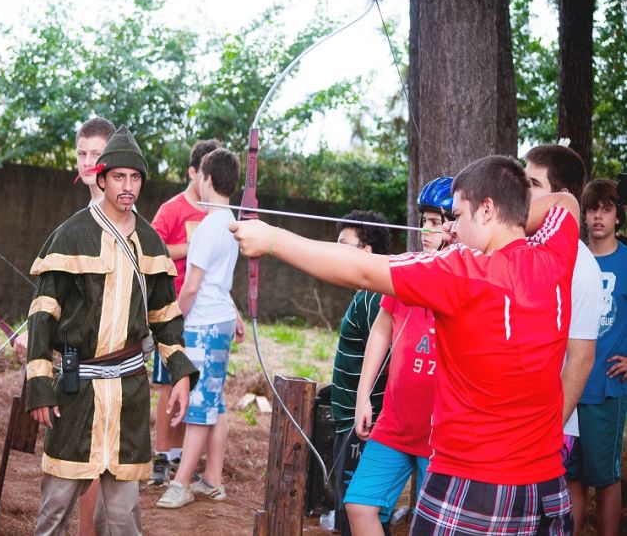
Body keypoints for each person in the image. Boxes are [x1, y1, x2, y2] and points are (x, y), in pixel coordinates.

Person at [231, 155, 580, 534]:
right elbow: (567, 203)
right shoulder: (556, 256)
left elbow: (362, 269)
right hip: (544, 485)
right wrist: (513, 214)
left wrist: (273, 239)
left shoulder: (462, 272)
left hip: (473, 483)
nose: (451, 230)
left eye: (458, 216)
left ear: (486, 209)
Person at [25, 125, 198, 535]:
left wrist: (181, 375)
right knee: (55, 509)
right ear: (100, 179)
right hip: (76, 391)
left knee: (123, 517)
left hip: (128, 396)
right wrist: (39, 385)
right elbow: (42, 314)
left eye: (135, 177)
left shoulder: (152, 244)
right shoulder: (70, 236)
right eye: (119, 176)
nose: (128, 186)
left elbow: (166, 317)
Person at [13, 116, 115, 536]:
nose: (88, 162)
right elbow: (68, 298)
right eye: (82, 154)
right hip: (80, 364)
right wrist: (40, 334)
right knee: (81, 462)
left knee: (98, 465)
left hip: (110, 365)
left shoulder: (117, 216)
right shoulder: (82, 220)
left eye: (97, 154)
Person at [345, 177, 453, 536]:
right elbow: (381, 329)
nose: (425, 229)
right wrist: (363, 398)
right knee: (359, 505)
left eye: (436, 223)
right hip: (394, 423)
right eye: (424, 220)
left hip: (442, 435)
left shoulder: (467, 276)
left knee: (428, 526)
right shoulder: (408, 268)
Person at [156, 147, 243, 509]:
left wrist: (172, 319)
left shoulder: (209, 226)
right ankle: (212, 479)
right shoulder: (231, 220)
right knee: (215, 401)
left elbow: (192, 286)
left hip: (205, 323)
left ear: (206, 179)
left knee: (200, 403)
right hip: (217, 317)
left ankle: (181, 484)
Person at [149, 138, 221, 486]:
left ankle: (180, 459)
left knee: (191, 387)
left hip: (204, 318)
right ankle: (161, 457)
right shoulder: (172, 209)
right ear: (194, 172)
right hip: (173, 311)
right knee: (167, 386)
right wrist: (190, 247)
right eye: (204, 172)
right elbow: (152, 247)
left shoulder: (216, 215)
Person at [523, 144, 601, 465]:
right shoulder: (515, 246)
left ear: (562, 197)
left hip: (543, 429)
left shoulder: (582, 266)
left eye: (534, 185)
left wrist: (550, 430)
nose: (522, 191)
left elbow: (581, 357)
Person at [568, 178, 627, 536]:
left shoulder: (626, 260)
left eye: (606, 209)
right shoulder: (573, 258)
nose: (598, 216)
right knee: (572, 474)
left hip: (606, 387)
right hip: (569, 384)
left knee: (605, 477)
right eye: (592, 209)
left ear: (617, 216)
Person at [327, 209, 391, 536]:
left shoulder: (371, 295)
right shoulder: (366, 294)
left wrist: (366, 405)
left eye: (344, 243)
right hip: (354, 418)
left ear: (367, 252)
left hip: (363, 424)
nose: (335, 250)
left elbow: (385, 359)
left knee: (357, 513)